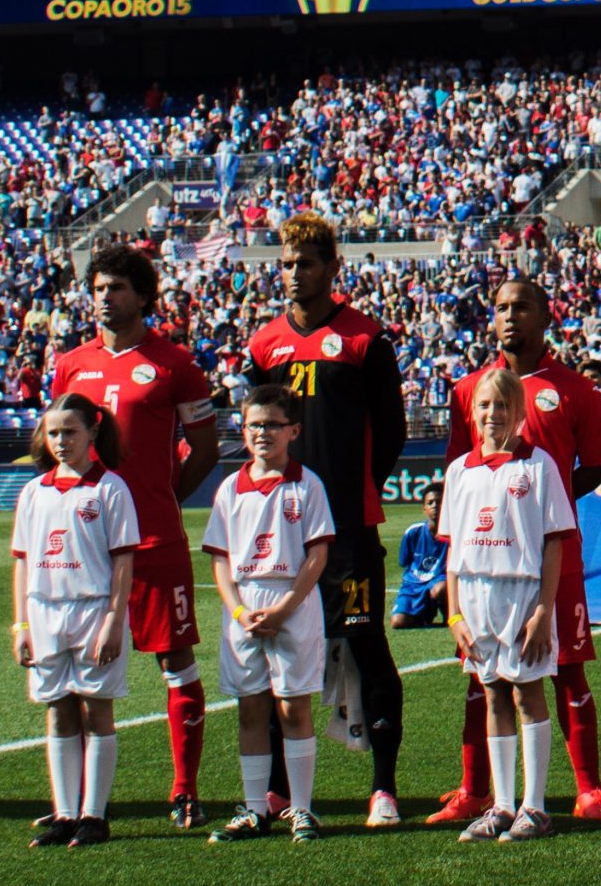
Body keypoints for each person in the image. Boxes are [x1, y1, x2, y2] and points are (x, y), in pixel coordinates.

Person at [240, 214, 408, 826]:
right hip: (279, 539)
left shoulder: (366, 340)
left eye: (305, 263)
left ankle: (383, 787)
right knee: (278, 655)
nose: (292, 273)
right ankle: (279, 791)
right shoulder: (263, 346)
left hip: (348, 536)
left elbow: (391, 432)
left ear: (331, 268)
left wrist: (356, 493)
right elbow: (255, 434)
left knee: (365, 644)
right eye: (285, 263)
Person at [431, 279, 601, 824]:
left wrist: (536, 513)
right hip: (487, 570)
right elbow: (461, 471)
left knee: (565, 670)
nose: (511, 316)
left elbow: (594, 467)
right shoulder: (469, 388)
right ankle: (475, 790)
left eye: (522, 307)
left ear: (545, 315)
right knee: (483, 677)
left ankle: (588, 790)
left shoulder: (576, 390)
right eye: (502, 308)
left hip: (549, 558)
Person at [50, 245, 219, 827]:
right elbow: (59, 442)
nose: (104, 295)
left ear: (143, 296)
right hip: (84, 547)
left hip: (152, 540)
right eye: (98, 286)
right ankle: (73, 805)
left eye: (116, 287)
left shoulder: (175, 363)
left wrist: (165, 495)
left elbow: (206, 448)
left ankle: (184, 789)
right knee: (75, 671)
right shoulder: (71, 365)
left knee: (176, 660)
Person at [439, 369, 579, 843]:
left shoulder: (538, 466)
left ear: (519, 412)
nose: (492, 414)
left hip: (523, 595)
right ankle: (501, 805)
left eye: (502, 405)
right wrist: (455, 613)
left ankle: (535, 808)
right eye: (484, 405)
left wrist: (543, 611)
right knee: (493, 693)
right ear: (471, 412)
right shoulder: (460, 470)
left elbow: (554, 543)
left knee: (527, 692)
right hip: (476, 597)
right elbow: (454, 550)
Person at [203, 386, 337, 844]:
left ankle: (302, 809)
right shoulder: (229, 487)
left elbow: (317, 555)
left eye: (272, 425)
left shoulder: (307, 484)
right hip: (243, 606)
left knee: (293, 707)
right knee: (250, 709)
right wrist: (238, 610)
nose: (262, 432)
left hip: (291, 603)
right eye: (254, 424)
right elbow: (219, 559)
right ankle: (255, 808)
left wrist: (283, 608)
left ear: (293, 430)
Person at [13, 395, 140, 849]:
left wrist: (112, 619)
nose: (61, 441)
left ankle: (94, 815)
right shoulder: (35, 491)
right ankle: (65, 813)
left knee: (95, 708)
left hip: (92, 609)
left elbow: (123, 561)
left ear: (92, 431)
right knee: (58, 710)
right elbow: (24, 562)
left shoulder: (110, 488)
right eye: (53, 433)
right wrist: (21, 625)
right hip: (44, 610)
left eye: (70, 432)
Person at [391, 487, 449, 629]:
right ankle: (424, 614)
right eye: (430, 502)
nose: (435, 506)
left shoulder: (453, 534)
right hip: (414, 584)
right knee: (397, 622)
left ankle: (448, 613)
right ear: (424, 508)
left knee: (441, 589)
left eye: (439, 502)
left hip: (438, 581)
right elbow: (404, 561)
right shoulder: (413, 532)